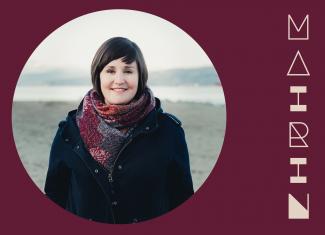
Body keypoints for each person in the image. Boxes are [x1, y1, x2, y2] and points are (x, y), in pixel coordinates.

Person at [44, 37, 194, 224]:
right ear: (98, 75)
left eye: (129, 71)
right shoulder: (69, 131)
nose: (119, 80)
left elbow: (183, 199)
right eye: (110, 70)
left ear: (140, 77)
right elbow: (54, 196)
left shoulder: (169, 131)